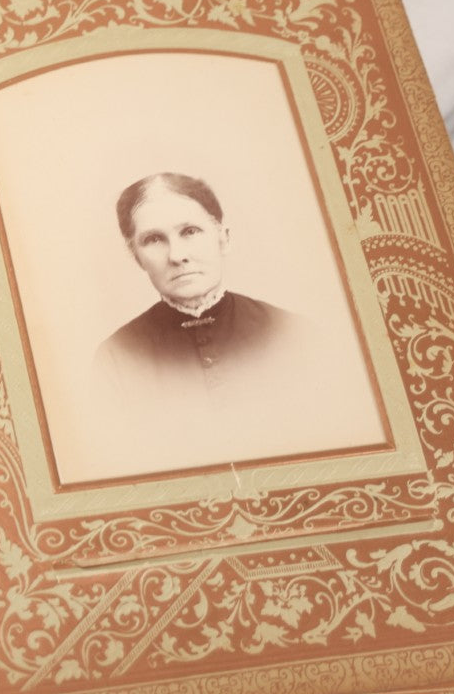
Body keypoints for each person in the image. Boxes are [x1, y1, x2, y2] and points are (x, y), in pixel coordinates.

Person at [92, 172, 374, 472]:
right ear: (136, 256)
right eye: (153, 239)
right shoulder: (117, 359)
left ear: (224, 238)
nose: (177, 256)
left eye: (190, 231)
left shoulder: (294, 335)